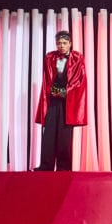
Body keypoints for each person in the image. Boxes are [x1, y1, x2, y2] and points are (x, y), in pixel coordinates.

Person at [34, 30, 87, 171]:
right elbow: (47, 80)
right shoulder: (50, 57)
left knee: (64, 137)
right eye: (59, 43)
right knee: (49, 134)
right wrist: (52, 92)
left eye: (64, 43)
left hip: (68, 102)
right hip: (52, 101)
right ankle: (46, 166)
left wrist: (62, 92)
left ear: (70, 43)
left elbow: (79, 81)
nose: (61, 46)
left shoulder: (77, 58)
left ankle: (64, 168)